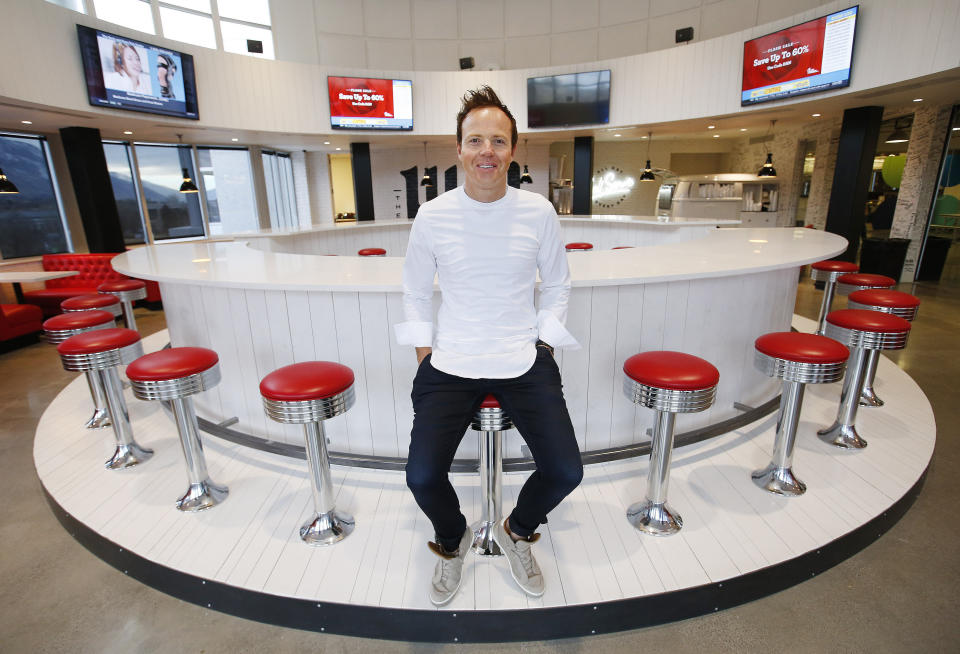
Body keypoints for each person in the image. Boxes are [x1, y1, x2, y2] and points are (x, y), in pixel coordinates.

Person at [395, 86, 583, 607]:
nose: (486, 151)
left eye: (497, 141)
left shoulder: (538, 211)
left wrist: (545, 341)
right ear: (457, 149)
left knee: (566, 470)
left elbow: (559, 282)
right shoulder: (432, 215)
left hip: (523, 358)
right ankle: (452, 541)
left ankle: (517, 530)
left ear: (512, 150)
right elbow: (413, 289)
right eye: (475, 140)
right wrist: (422, 352)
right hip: (450, 360)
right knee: (422, 476)